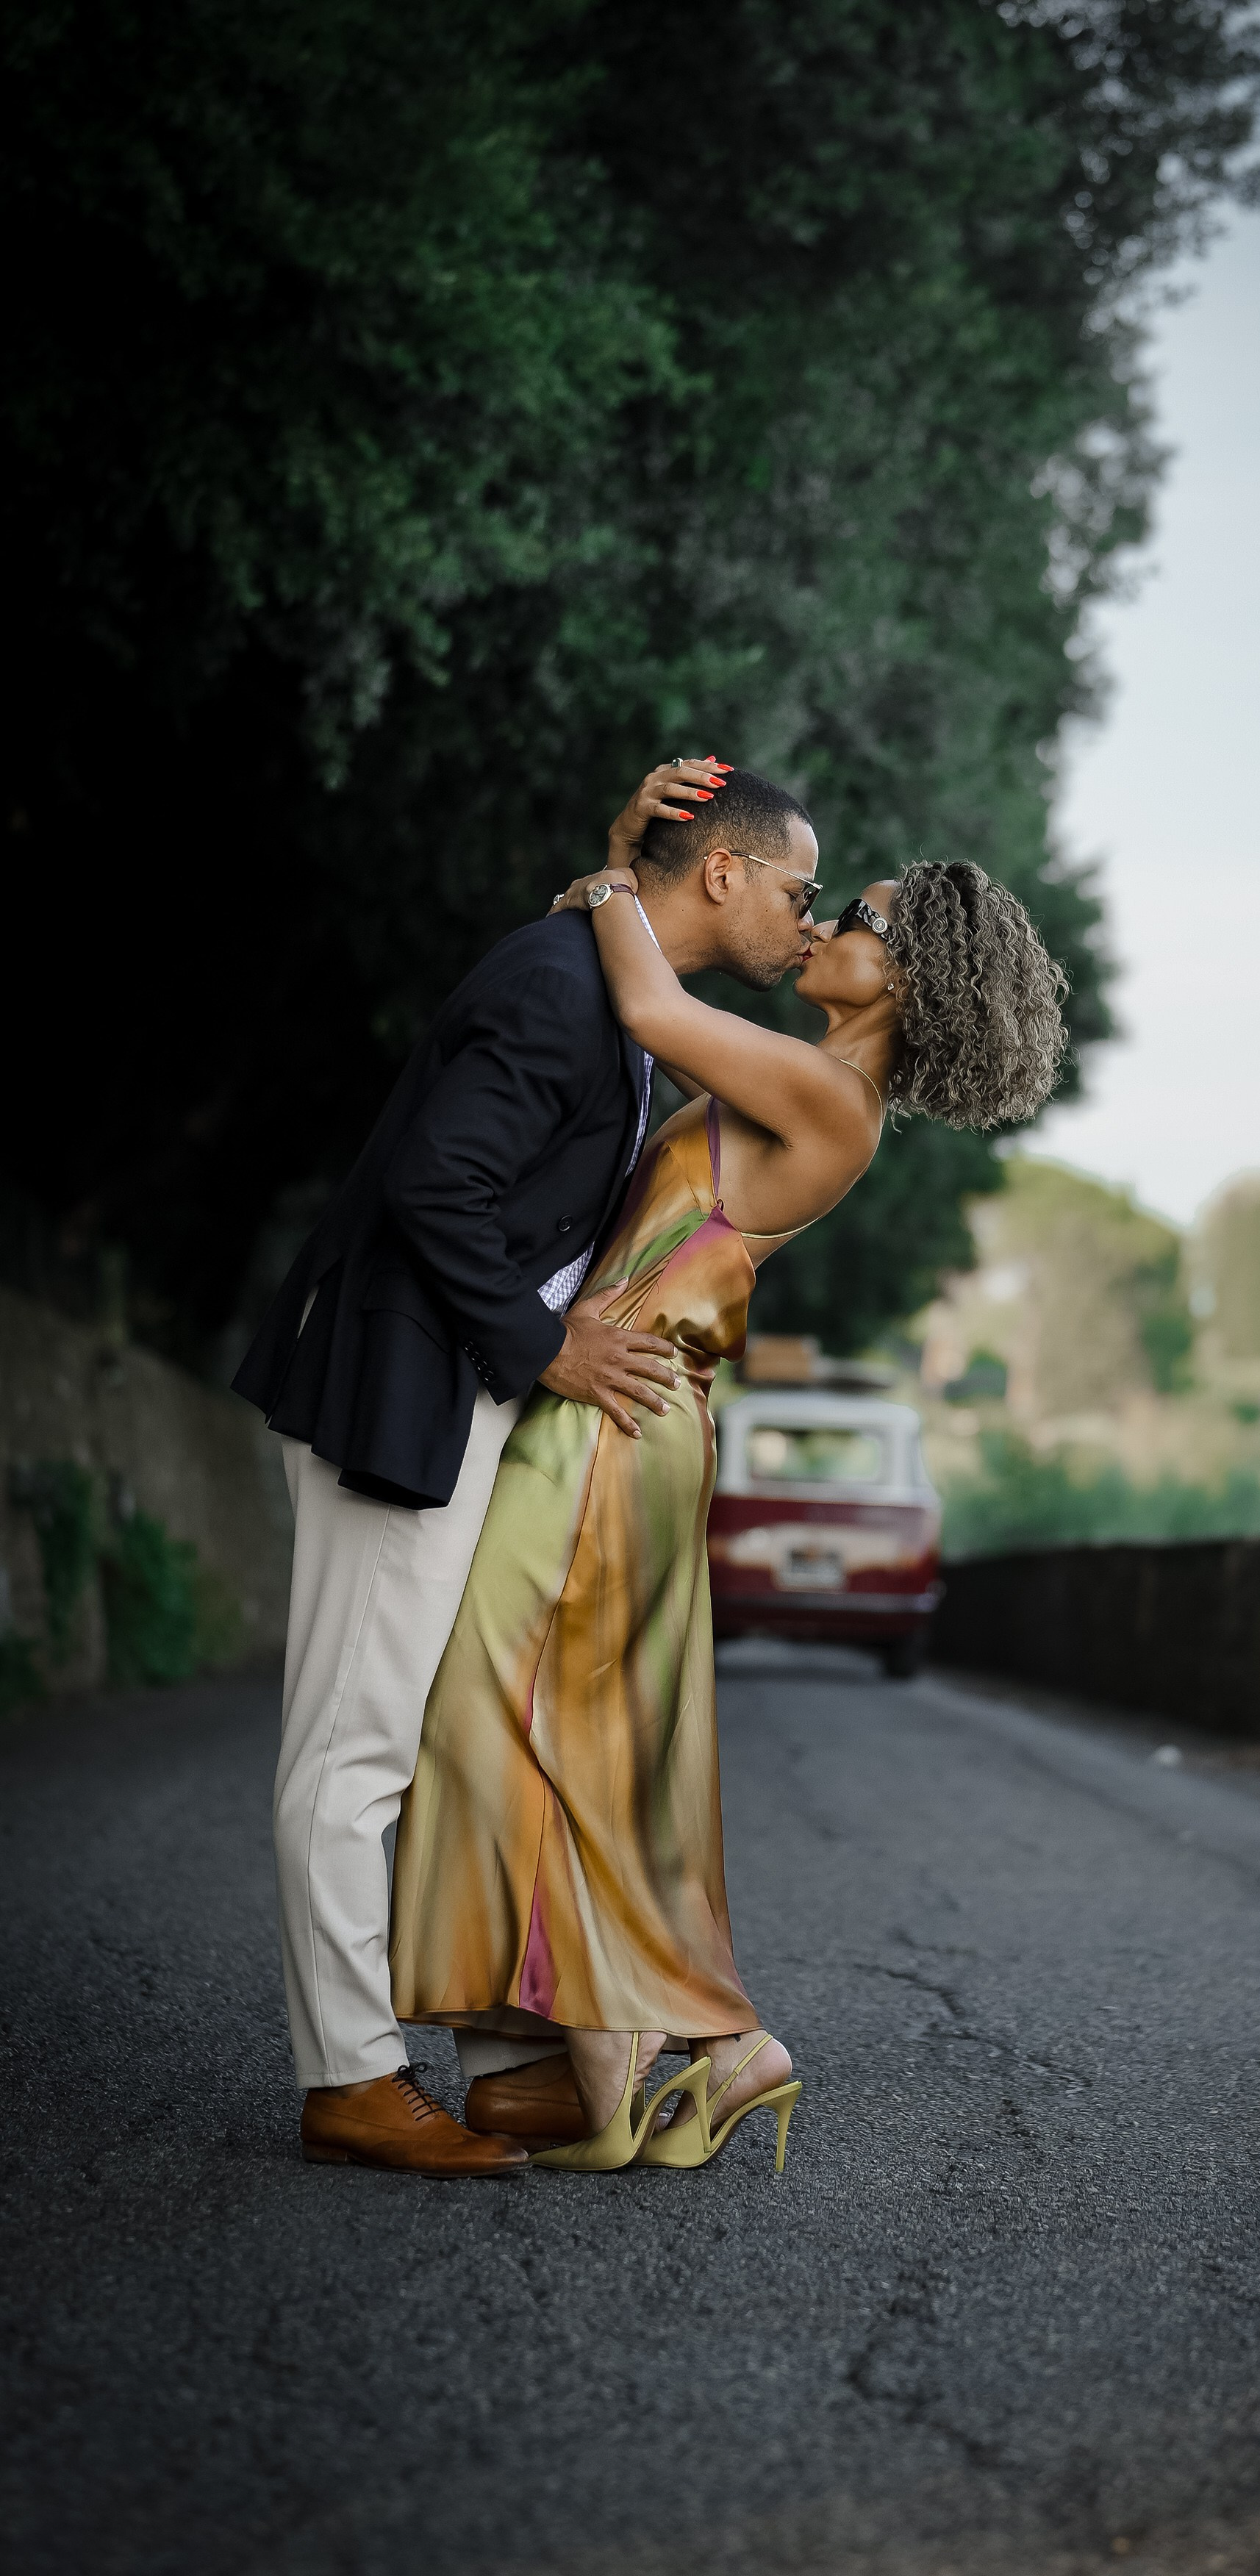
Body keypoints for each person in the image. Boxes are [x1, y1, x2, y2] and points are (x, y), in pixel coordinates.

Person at [387, 769, 1069, 2172]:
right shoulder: (805, 1078)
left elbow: (646, 1006)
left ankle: (663, 2036)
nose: (821, 923)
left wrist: (605, 885)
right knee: (553, 1726)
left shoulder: (829, 1097)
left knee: (495, 1711)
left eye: (858, 918)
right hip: (615, 1412)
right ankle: (636, 2046)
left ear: (906, 977)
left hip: (615, 1421)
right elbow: (658, 1021)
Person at [233, 756, 817, 2174]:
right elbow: (440, 1181)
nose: (806, 919)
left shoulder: (608, 989)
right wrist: (543, 1348)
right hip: (407, 1391)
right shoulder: (561, 989)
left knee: (445, 1731)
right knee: (354, 1748)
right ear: (723, 871)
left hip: (460, 1388)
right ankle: (348, 2080)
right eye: (797, 891)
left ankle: (503, 2064)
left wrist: (614, 866)